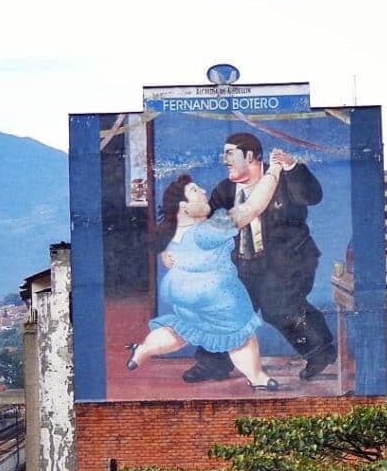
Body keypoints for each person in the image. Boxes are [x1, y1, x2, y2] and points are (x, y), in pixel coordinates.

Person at [126, 151, 296, 391]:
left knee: (184, 328)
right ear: (183, 207)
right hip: (215, 295)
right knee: (240, 332)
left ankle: (143, 349)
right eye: (195, 191)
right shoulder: (208, 230)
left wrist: (166, 256)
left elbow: (168, 252)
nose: (204, 191)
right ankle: (256, 376)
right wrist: (274, 170)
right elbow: (253, 206)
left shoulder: (173, 232)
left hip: (181, 294)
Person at [181, 131, 336, 384]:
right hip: (243, 262)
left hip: (288, 259)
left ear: (250, 156)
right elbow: (213, 226)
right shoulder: (224, 190)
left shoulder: (285, 178)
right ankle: (213, 364)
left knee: (278, 306)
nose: (225, 160)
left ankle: (321, 351)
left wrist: (291, 166)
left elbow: (313, 197)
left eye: (230, 153)